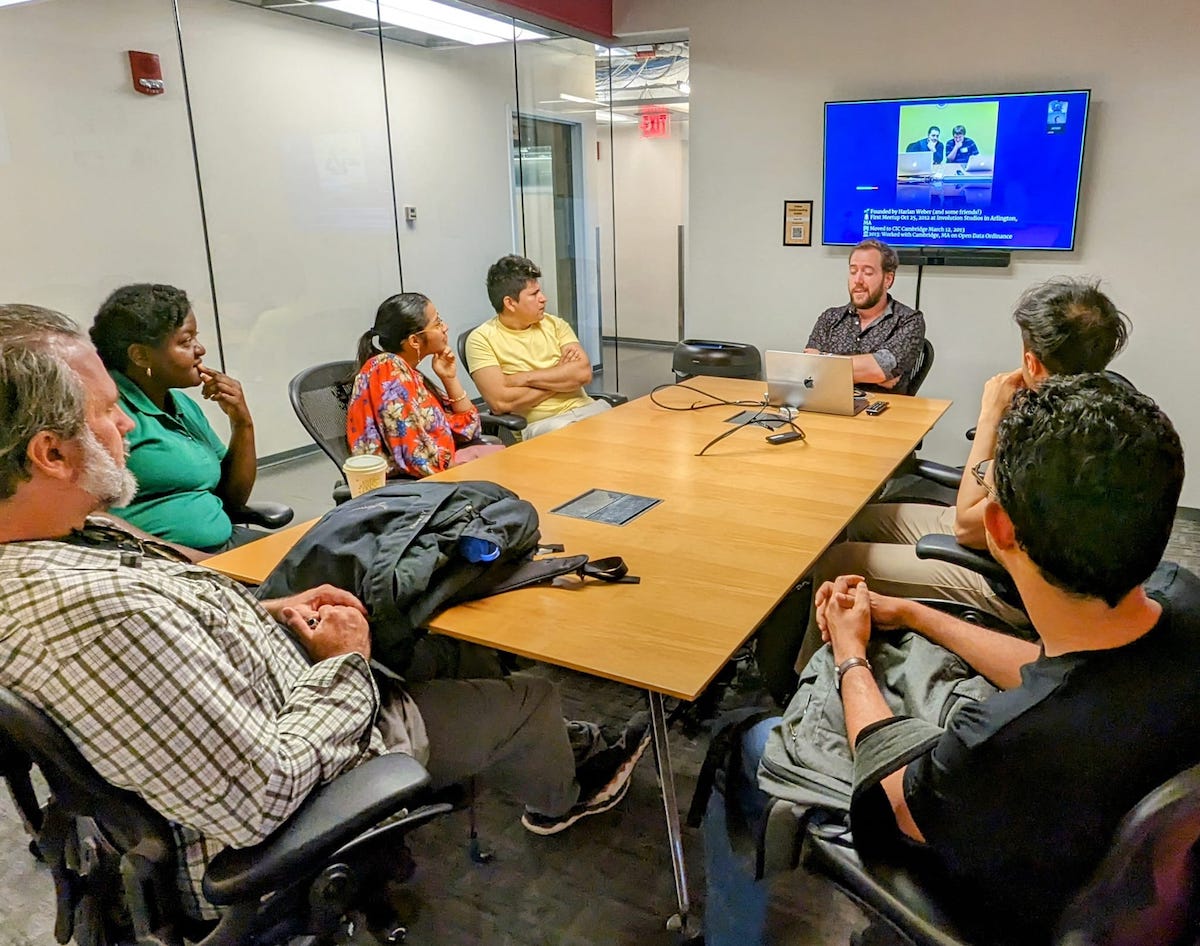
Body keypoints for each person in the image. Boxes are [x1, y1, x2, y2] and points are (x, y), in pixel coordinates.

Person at [0, 304, 651, 921]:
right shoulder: (98, 616)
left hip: (272, 686)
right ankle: (562, 795)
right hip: (306, 772)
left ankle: (504, 742)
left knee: (449, 637)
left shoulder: (59, 539)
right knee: (530, 696)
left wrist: (267, 613)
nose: (131, 428)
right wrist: (346, 665)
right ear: (51, 454)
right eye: (111, 414)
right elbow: (261, 799)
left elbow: (178, 630)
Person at [706, 372, 1197, 945]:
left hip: (988, 894)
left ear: (999, 527)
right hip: (1099, 865)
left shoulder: (1005, 741)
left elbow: (893, 791)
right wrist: (916, 614)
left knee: (745, 743)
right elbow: (1064, 670)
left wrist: (848, 652)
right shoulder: (1180, 598)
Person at [795, 278, 1131, 667]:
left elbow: (968, 528)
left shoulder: (1049, 435)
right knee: (861, 520)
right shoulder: (1104, 406)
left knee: (838, 561)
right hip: (1025, 542)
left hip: (1016, 583)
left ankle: (809, 675)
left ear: (1032, 363)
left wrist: (990, 416)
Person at [88, 283, 260, 552]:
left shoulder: (181, 403)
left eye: (196, 338)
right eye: (185, 341)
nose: (200, 349)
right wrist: (197, 563)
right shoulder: (110, 415)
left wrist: (242, 423)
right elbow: (93, 520)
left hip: (223, 550)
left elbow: (232, 499)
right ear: (141, 355)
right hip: (165, 566)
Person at [346, 292, 502, 479]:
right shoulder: (387, 369)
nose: (445, 327)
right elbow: (418, 459)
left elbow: (469, 429)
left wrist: (449, 378)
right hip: (412, 487)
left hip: (438, 472)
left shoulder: (410, 374)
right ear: (414, 341)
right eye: (437, 323)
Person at [465, 255, 610, 439]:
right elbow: (501, 402)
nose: (543, 299)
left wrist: (524, 378)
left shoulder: (555, 325)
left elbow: (583, 373)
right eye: (534, 294)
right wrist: (560, 375)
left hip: (589, 409)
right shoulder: (481, 340)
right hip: (546, 425)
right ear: (510, 303)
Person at [804, 239, 926, 394]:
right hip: (830, 408)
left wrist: (824, 361)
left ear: (888, 279)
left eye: (868, 272)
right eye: (853, 271)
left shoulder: (909, 320)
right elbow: (809, 370)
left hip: (883, 413)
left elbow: (879, 370)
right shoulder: (830, 318)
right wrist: (875, 376)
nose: (858, 280)